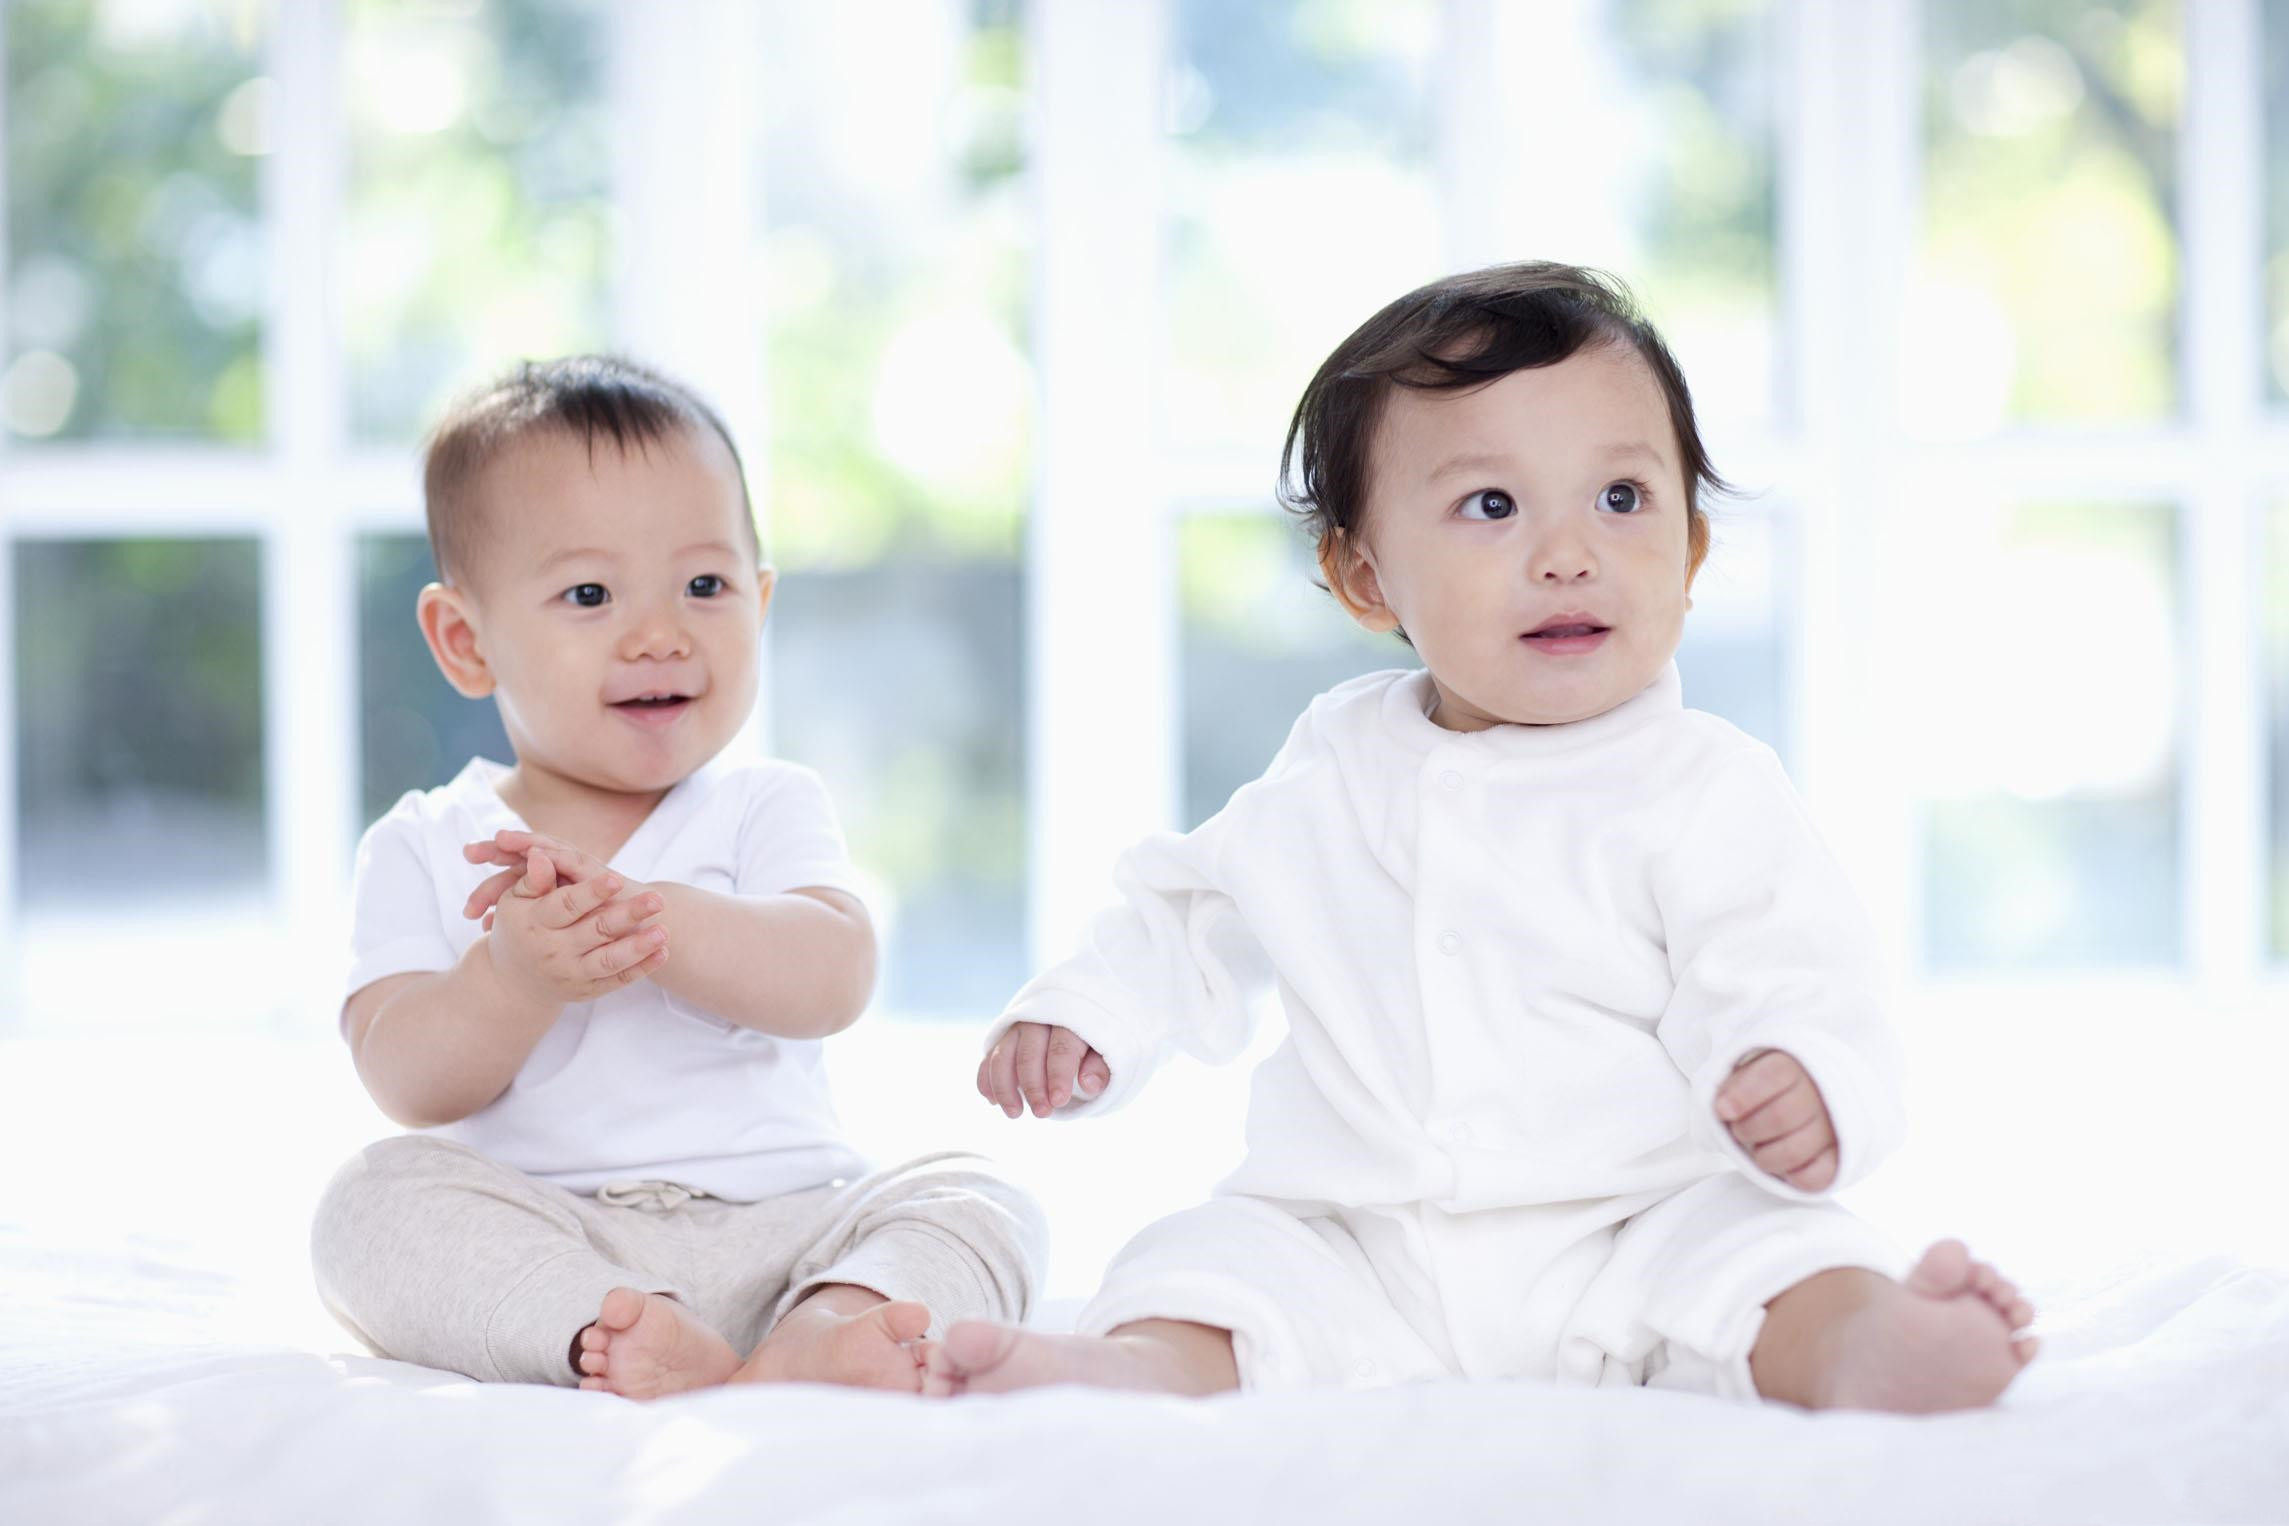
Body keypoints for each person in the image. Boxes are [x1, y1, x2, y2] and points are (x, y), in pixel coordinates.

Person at [929, 263, 2036, 1413]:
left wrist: (1803, 1075)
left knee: (1775, 1255)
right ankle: (1139, 1366)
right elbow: (1189, 910)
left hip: (1641, 1223)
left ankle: (1864, 1341)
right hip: (1362, 1236)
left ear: (1694, 552)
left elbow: (1800, 968)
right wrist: (1090, 1013)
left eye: (1620, 497)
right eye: (1493, 506)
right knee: (1206, 1258)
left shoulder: (1705, 787)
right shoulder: (1331, 770)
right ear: (1366, 577)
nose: (1568, 552)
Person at [312, 355, 1042, 1398]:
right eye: (590, 594)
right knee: (365, 1207)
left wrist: (660, 921)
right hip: (556, 1233)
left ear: (760, 600)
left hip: (790, 1230)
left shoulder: (765, 804)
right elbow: (403, 1078)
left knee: (980, 1199)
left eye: (705, 586)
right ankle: (609, 1326)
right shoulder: (428, 841)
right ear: (466, 641)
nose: (660, 635)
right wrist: (511, 978)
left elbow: (834, 978)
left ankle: (830, 1324)